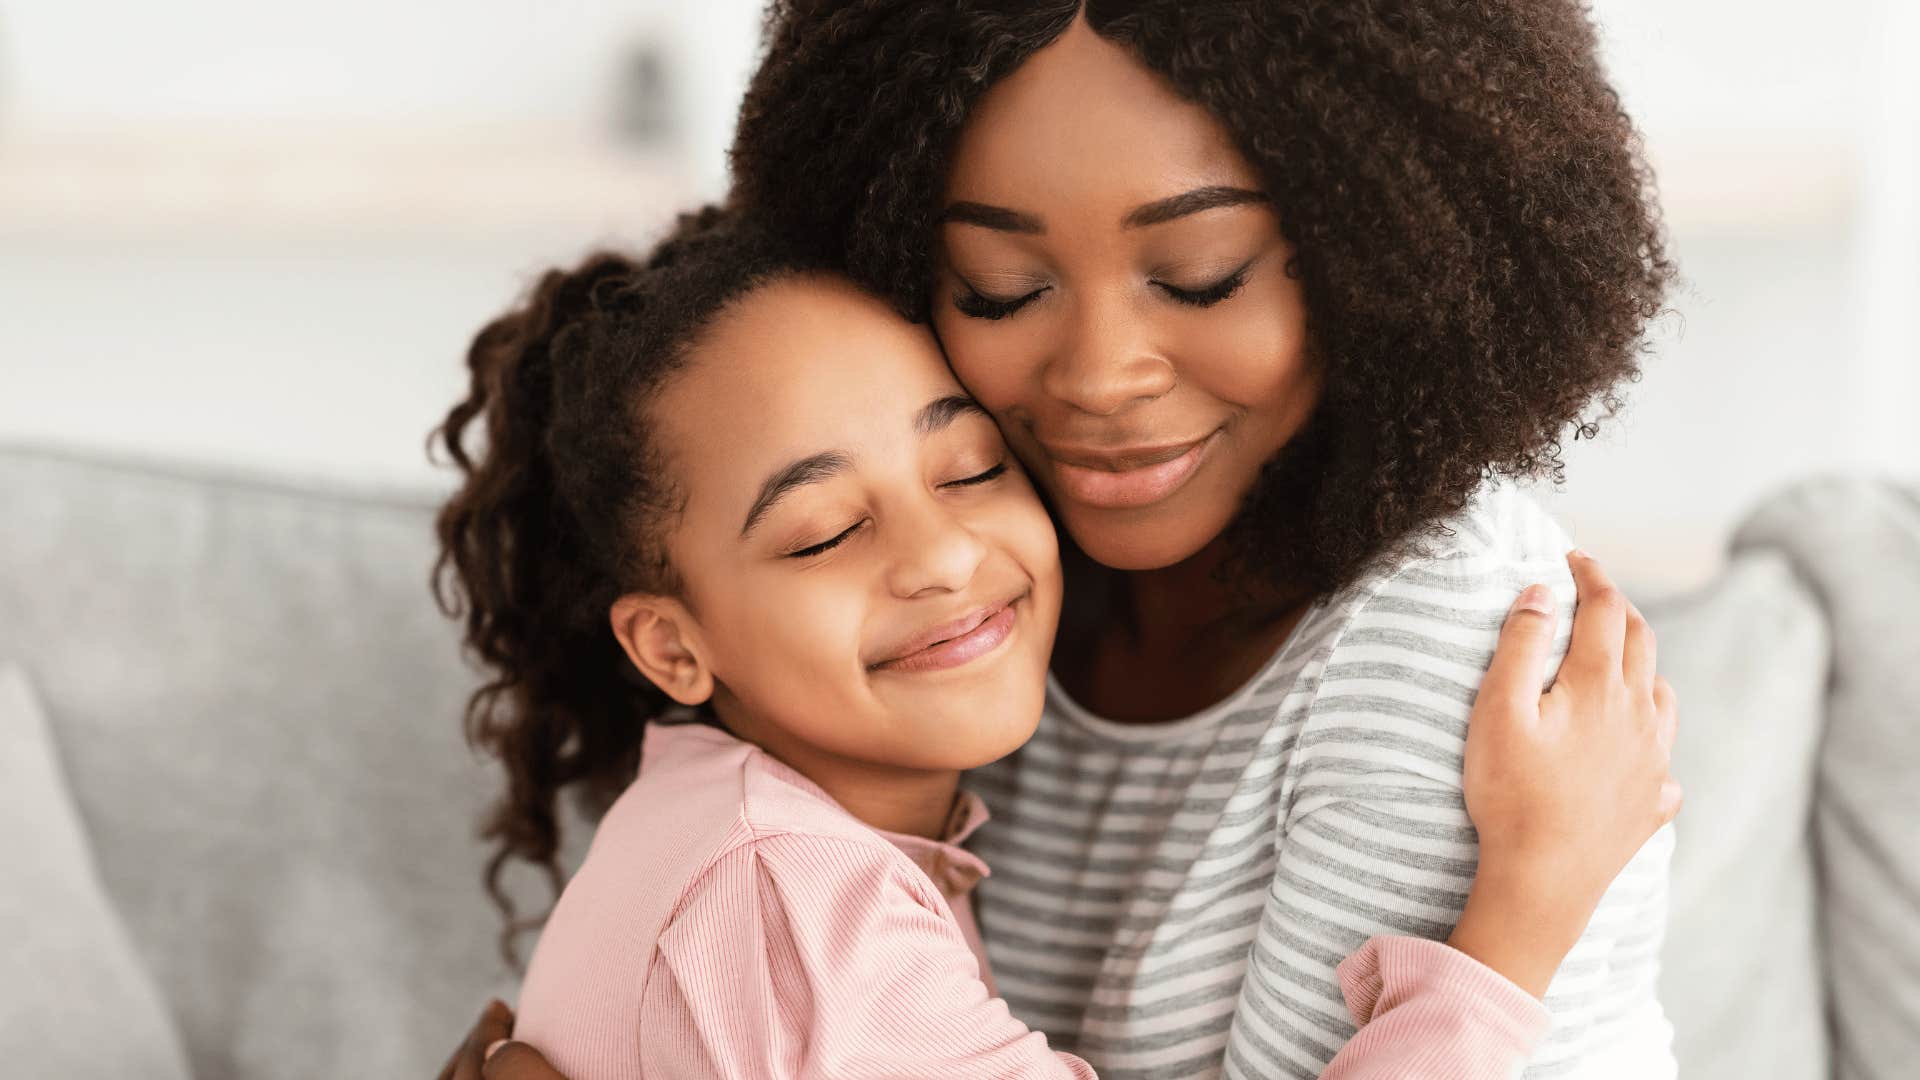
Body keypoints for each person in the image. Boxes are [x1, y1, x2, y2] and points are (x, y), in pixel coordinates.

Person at [447, 1, 1683, 1076]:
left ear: (1379, 252)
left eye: (1199, 274)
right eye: (996, 287)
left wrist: (1522, 914)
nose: (1097, 379)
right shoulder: (917, 717)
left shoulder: (1462, 652)